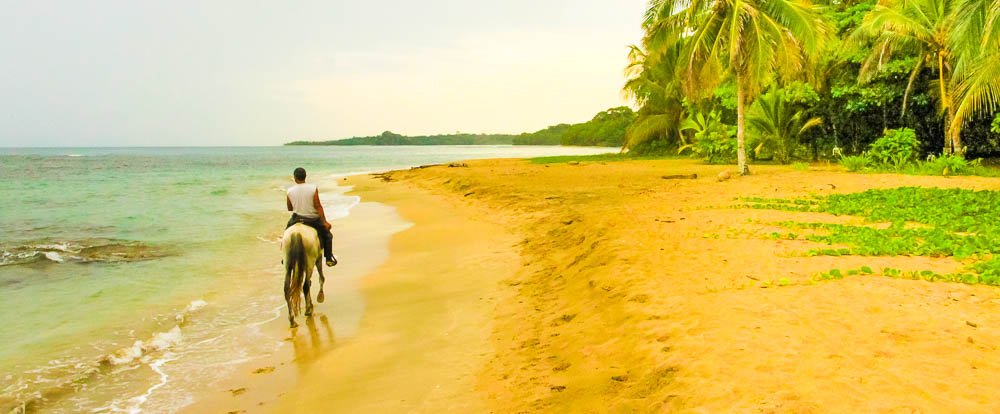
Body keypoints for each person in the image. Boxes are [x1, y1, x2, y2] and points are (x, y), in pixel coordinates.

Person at [286, 167, 336, 267]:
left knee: (285, 234)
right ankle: (329, 258)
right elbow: (318, 206)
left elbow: (290, 208)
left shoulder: (289, 191)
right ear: (305, 177)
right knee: (328, 236)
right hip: (312, 219)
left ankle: (285, 258)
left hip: (296, 219)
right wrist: (325, 222)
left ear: (295, 178)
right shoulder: (313, 188)